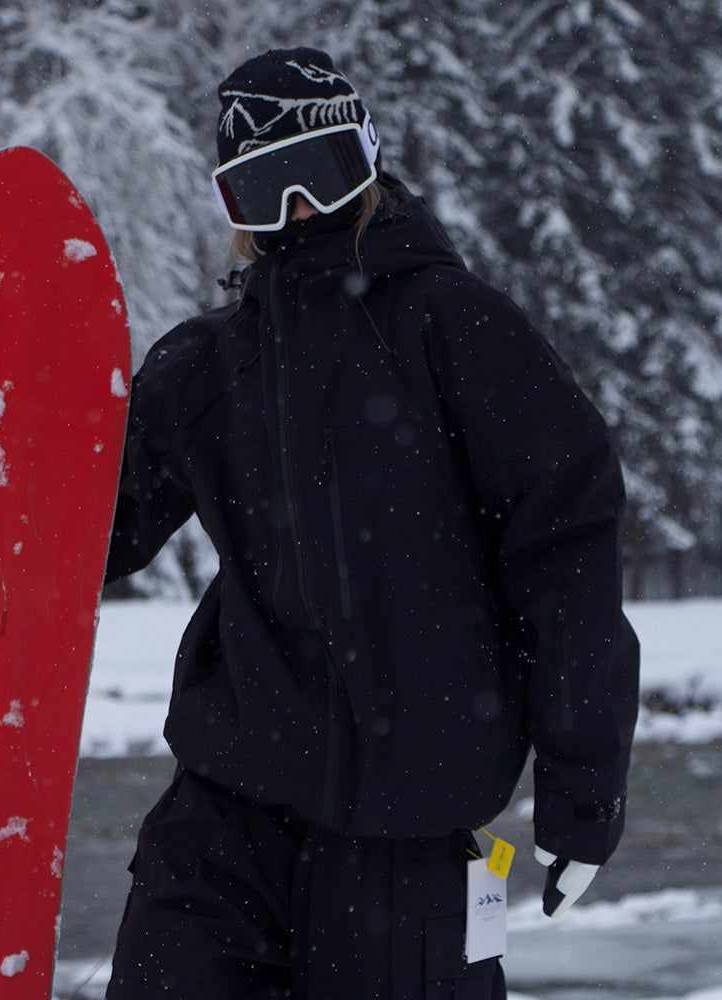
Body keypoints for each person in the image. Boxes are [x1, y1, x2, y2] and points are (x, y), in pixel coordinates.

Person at [104, 47, 640, 1000]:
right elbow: (86, 536)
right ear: (235, 207)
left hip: (408, 840)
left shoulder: (457, 329)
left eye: (322, 171)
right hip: (220, 823)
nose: (298, 207)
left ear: (369, 160)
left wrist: (584, 788)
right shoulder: (206, 365)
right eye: (264, 187)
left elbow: (567, 554)